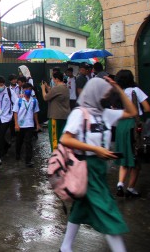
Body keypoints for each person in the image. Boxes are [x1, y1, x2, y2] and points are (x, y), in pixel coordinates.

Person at [59, 76, 137, 252]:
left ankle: (65, 247)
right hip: (85, 168)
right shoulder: (79, 113)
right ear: (95, 93)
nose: (107, 97)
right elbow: (65, 139)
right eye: (105, 94)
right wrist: (96, 150)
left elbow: (132, 112)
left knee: (81, 206)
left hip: (99, 169)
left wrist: (117, 88)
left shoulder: (106, 114)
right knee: (107, 209)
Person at [114, 70, 150, 198]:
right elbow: (147, 108)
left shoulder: (118, 93)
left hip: (121, 125)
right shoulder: (135, 90)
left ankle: (120, 184)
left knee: (124, 156)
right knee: (136, 157)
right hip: (133, 125)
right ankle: (130, 188)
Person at [41, 71, 71, 152]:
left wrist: (43, 89)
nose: (53, 80)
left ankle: (55, 156)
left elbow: (46, 97)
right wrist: (48, 88)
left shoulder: (57, 88)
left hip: (55, 116)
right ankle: (62, 155)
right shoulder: (65, 87)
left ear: (57, 79)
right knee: (61, 137)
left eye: (53, 79)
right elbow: (55, 93)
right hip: (64, 116)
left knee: (54, 138)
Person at [13, 83, 41, 167]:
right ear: (23, 89)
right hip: (20, 125)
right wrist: (16, 124)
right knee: (19, 141)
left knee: (28, 142)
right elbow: (15, 112)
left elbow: (35, 113)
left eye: (30, 89)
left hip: (29, 124)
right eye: (27, 89)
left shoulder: (34, 101)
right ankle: (17, 154)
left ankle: (28, 160)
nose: (28, 90)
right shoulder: (19, 100)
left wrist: (37, 124)